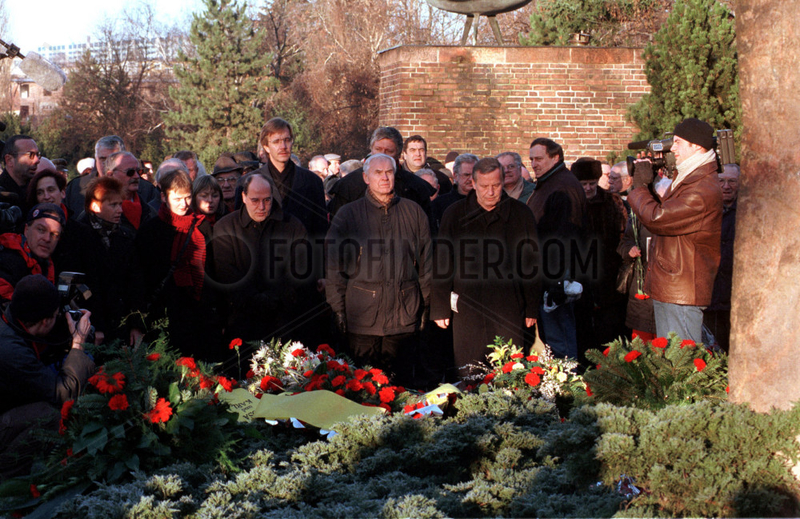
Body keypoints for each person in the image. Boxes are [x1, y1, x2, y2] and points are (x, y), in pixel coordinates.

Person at [325, 153, 432, 386]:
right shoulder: (348, 215)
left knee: (401, 387)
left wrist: (425, 305)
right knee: (364, 389)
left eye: (389, 172)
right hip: (362, 318)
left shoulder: (413, 212)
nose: (384, 178)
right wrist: (339, 309)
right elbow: (334, 268)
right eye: (378, 172)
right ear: (366, 178)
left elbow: (427, 264)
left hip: (403, 316)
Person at [432, 157, 539, 379]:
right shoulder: (455, 214)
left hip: (509, 305)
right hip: (467, 306)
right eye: (484, 186)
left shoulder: (520, 214)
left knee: (510, 370)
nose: (490, 192)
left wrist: (532, 306)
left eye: (496, 185)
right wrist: (440, 306)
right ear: (473, 182)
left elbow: (531, 263)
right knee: (469, 371)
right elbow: (443, 262)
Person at [628, 118, 722, 343]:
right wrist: (648, 187)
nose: (673, 148)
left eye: (679, 142)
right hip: (674, 284)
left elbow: (658, 218)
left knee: (681, 363)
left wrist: (639, 187)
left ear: (697, 146)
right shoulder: (691, 178)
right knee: (671, 362)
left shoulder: (701, 188)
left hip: (682, 289)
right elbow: (665, 213)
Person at [0, 275, 94, 481]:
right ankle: (9, 485)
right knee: (49, 415)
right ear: (44, 321)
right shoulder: (11, 352)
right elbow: (65, 393)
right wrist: (78, 342)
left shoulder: (11, 318)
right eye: (56, 314)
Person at [209, 173, 310, 356]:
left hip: (284, 321)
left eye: (267, 200)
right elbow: (226, 273)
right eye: (255, 200)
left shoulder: (292, 226)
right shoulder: (225, 228)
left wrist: (274, 298)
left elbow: (299, 270)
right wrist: (257, 300)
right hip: (241, 322)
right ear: (244, 197)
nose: (262, 207)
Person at [137, 170, 218, 360]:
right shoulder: (150, 231)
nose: (184, 204)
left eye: (188, 197)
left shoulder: (201, 227)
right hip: (163, 317)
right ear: (164, 197)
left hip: (198, 318)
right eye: (178, 198)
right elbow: (141, 278)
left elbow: (212, 273)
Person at [58, 177, 145, 345]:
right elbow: (82, 285)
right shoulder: (78, 236)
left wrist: (136, 324)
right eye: (113, 205)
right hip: (90, 326)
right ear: (95, 206)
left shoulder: (125, 236)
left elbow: (136, 285)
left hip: (122, 325)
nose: (119, 210)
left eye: (120, 204)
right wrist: (96, 325)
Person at [526, 138, 587, 359]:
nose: (534, 163)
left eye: (539, 158)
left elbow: (565, 236)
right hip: (548, 275)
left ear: (555, 158)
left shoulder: (563, 187)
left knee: (560, 341)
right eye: (531, 158)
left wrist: (558, 281)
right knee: (554, 340)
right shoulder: (549, 183)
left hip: (557, 278)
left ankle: (568, 389)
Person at [572, 157, 627, 349]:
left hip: (609, 274)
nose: (588, 188)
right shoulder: (571, 203)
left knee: (610, 330)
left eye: (592, 184)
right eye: (583, 184)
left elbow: (623, 234)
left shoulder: (612, 202)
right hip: (580, 275)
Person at [327, 127, 436, 217]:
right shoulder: (349, 185)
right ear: (371, 149)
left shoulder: (415, 187)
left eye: (389, 151)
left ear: (398, 154)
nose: (382, 154)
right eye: (378, 149)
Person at [704, 163, 740, 352]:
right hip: (710, 296)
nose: (727, 186)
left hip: (736, 297)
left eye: (732, 181)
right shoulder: (705, 210)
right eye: (722, 181)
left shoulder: (747, 212)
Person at [0, 203, 65, 304]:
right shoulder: (8, 262)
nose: (47, 239)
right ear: (26, 230)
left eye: (54, 234)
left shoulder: (50, 264)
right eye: (41, 230)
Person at [430, 153, 477, 236]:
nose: (470, 179)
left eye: (474, 175)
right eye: (466, 175)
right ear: (455, 176)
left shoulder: (486, 202)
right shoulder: (439, 204)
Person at [0, 135, 40, 216]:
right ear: (9, 160)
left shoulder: (38, 191)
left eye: (37, 154)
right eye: (31, 155)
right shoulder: (2, 194)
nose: (37, 160)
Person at [191, 174, 225, 243]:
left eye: (215, 196)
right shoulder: (189, 223)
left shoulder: (227, 221)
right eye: (204, 196)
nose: (210, 200)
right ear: (194, 197)